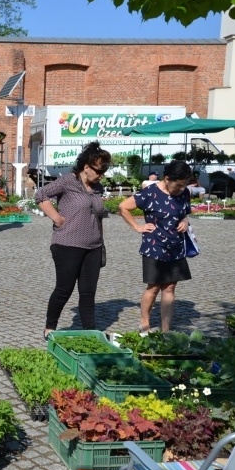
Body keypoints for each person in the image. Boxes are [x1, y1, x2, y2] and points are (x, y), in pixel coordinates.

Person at [35, 142, 111, 339]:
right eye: (99, 170)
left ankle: (90, 331)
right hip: (67, 244)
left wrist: (101, 240)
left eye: (104, 170)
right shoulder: (69, 181)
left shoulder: (98, 188)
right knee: (64, 288)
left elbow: (99, 215)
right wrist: (57, 218)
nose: (101, 175)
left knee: (88, 292)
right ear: (86, 167)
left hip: (93, 246)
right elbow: (41, 195)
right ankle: (50, 327)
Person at [118, 160, 193, 333]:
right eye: (179, 185)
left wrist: (185, 220)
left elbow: (184, 212)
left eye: (185, 185)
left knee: (170, 287)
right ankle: (144, 322)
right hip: (155, 246)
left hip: (176, 246)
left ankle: (166, 329)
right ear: (167, 179)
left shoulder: (184, 193)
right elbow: (123, 207)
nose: (182, 188)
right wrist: (138, 227)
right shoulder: (150, 193)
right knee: (153, 287)